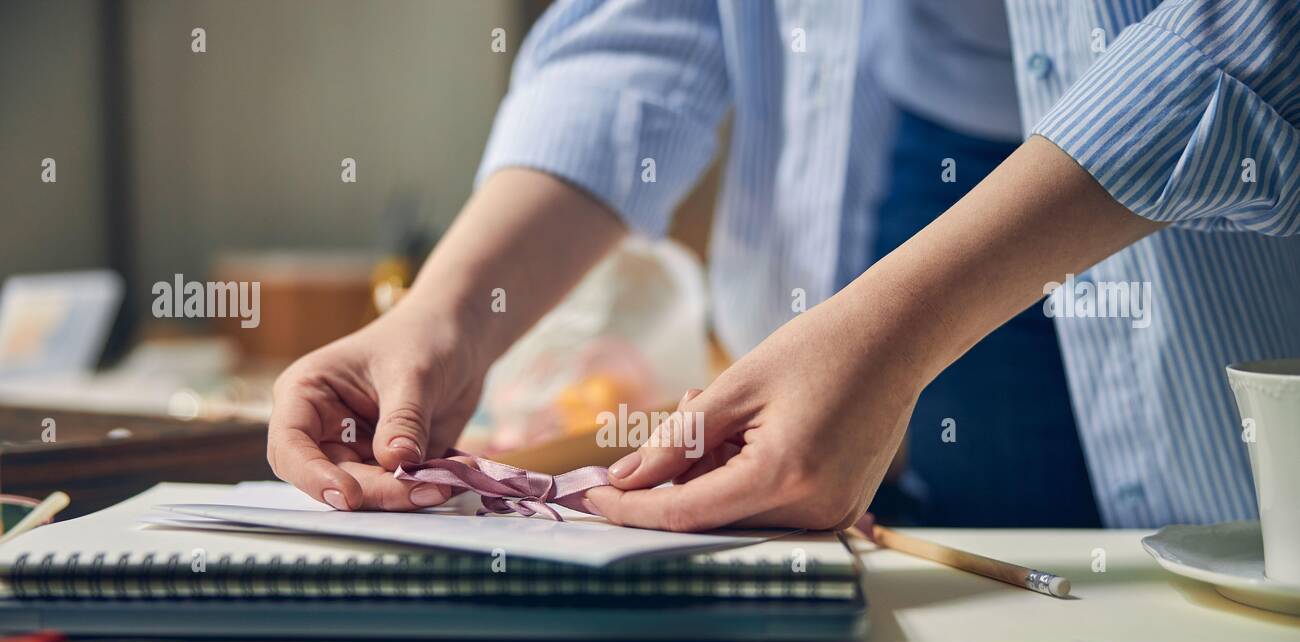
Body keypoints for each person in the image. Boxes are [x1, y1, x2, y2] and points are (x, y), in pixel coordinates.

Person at [267, 0, 1300, 532]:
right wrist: (448, 309)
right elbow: (643, 28)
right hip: (906, 184)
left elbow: (1251, 31)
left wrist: (891, 334)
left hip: (1213, 249)